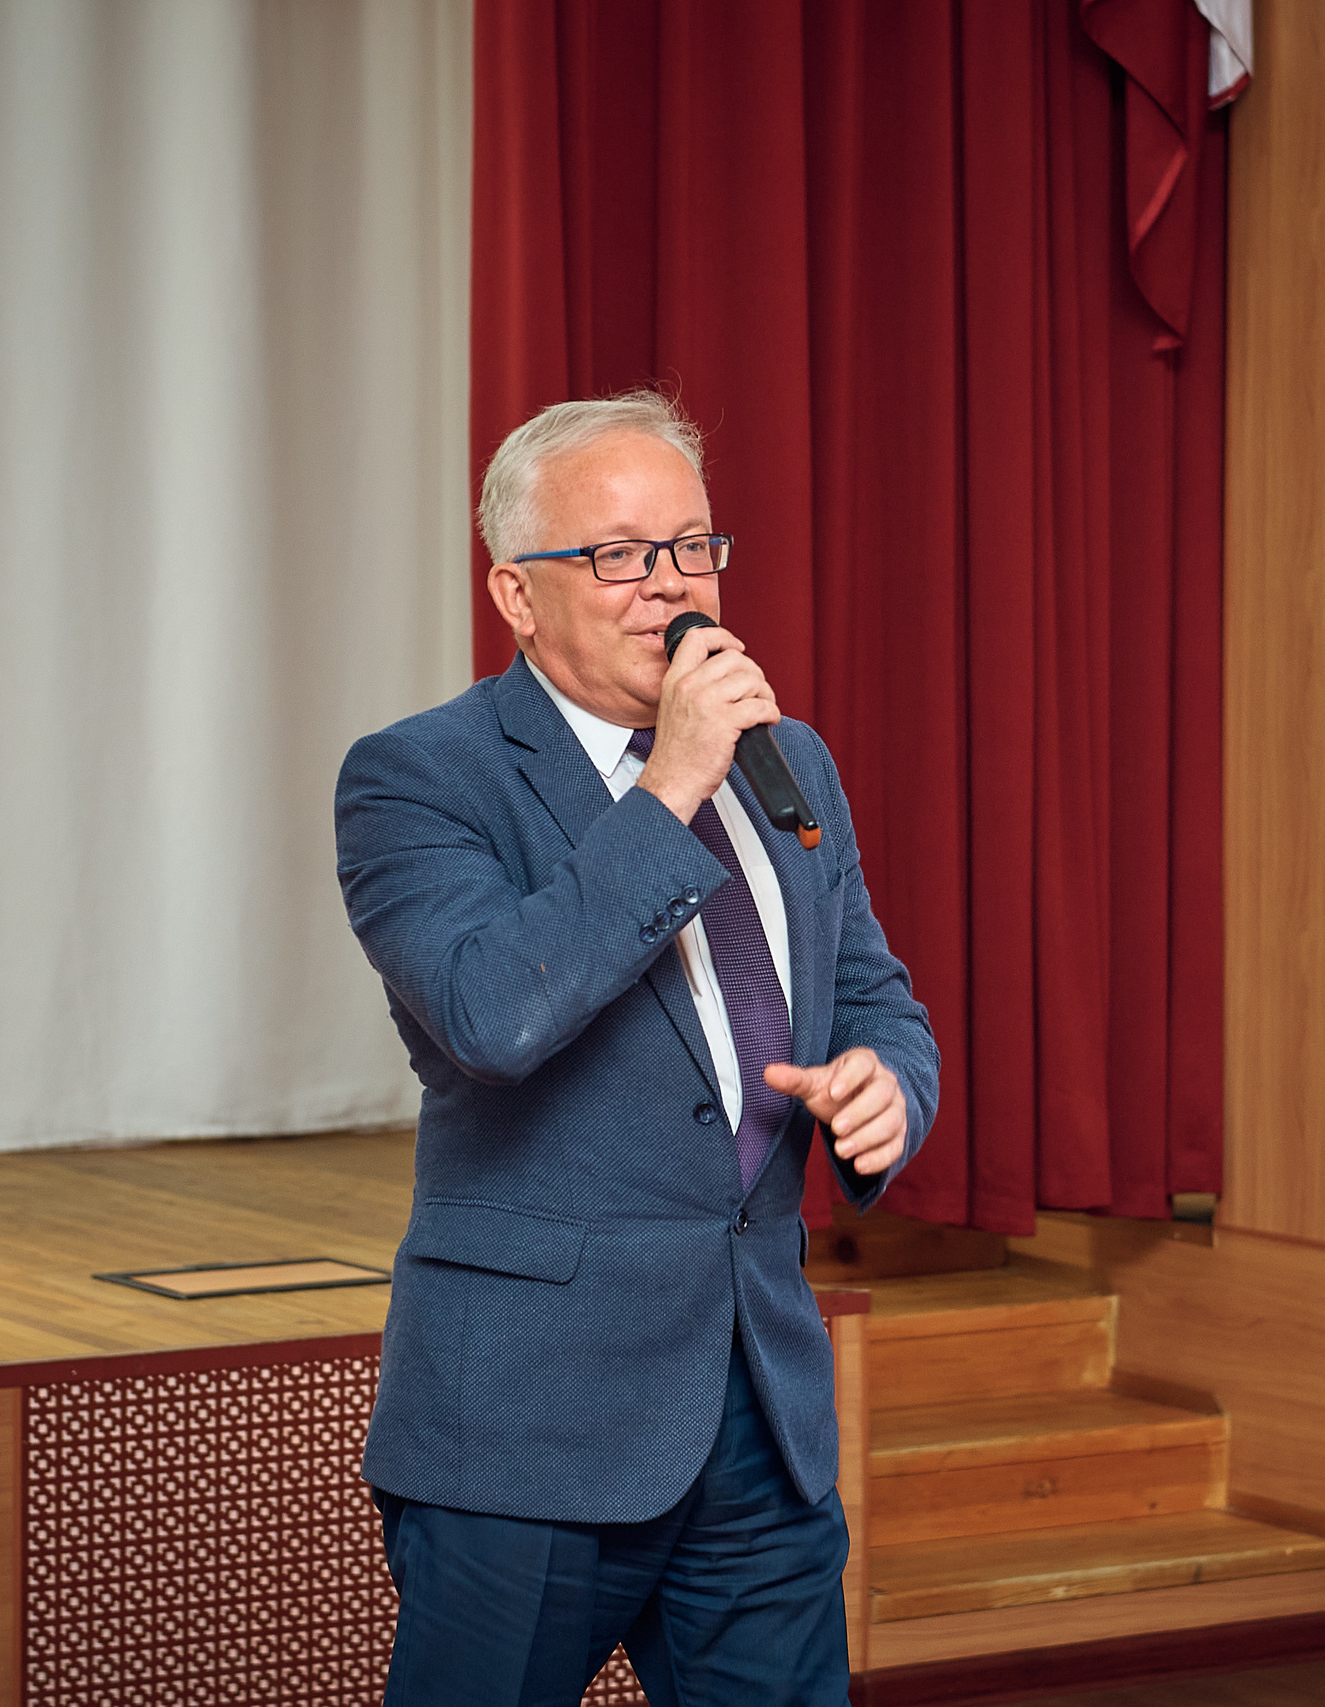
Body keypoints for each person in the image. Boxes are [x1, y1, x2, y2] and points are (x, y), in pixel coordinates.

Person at [333, 388, 938, 1705]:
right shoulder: (421, 778)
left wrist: (889, 1087)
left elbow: (876, 996)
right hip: (529, 1427)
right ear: (515, 592)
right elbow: (494, 1014)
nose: (666, 586)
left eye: (691, 547)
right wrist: (670, 781)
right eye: (616, 555)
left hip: (759, 1409)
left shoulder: (792, 768)